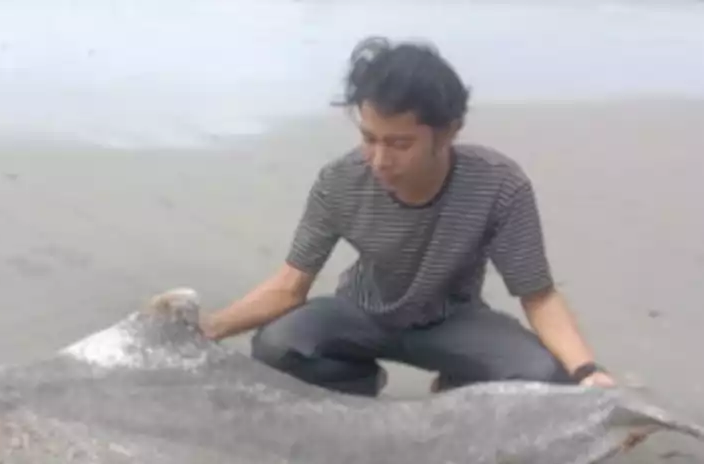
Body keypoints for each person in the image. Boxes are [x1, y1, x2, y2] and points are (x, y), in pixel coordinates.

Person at [198, 36, 616, 396]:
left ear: (449, 131)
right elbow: (290, 286)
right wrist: (210, 328)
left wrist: (587, 372)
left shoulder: (499, 186)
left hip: (454, 321)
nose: (379, 160)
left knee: (544, 378)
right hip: (360, 313)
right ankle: (354, 392)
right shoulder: (340, 181)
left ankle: (461, 385)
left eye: (399, 143)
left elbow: (538, 296)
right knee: (278, 345)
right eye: (368, 138)